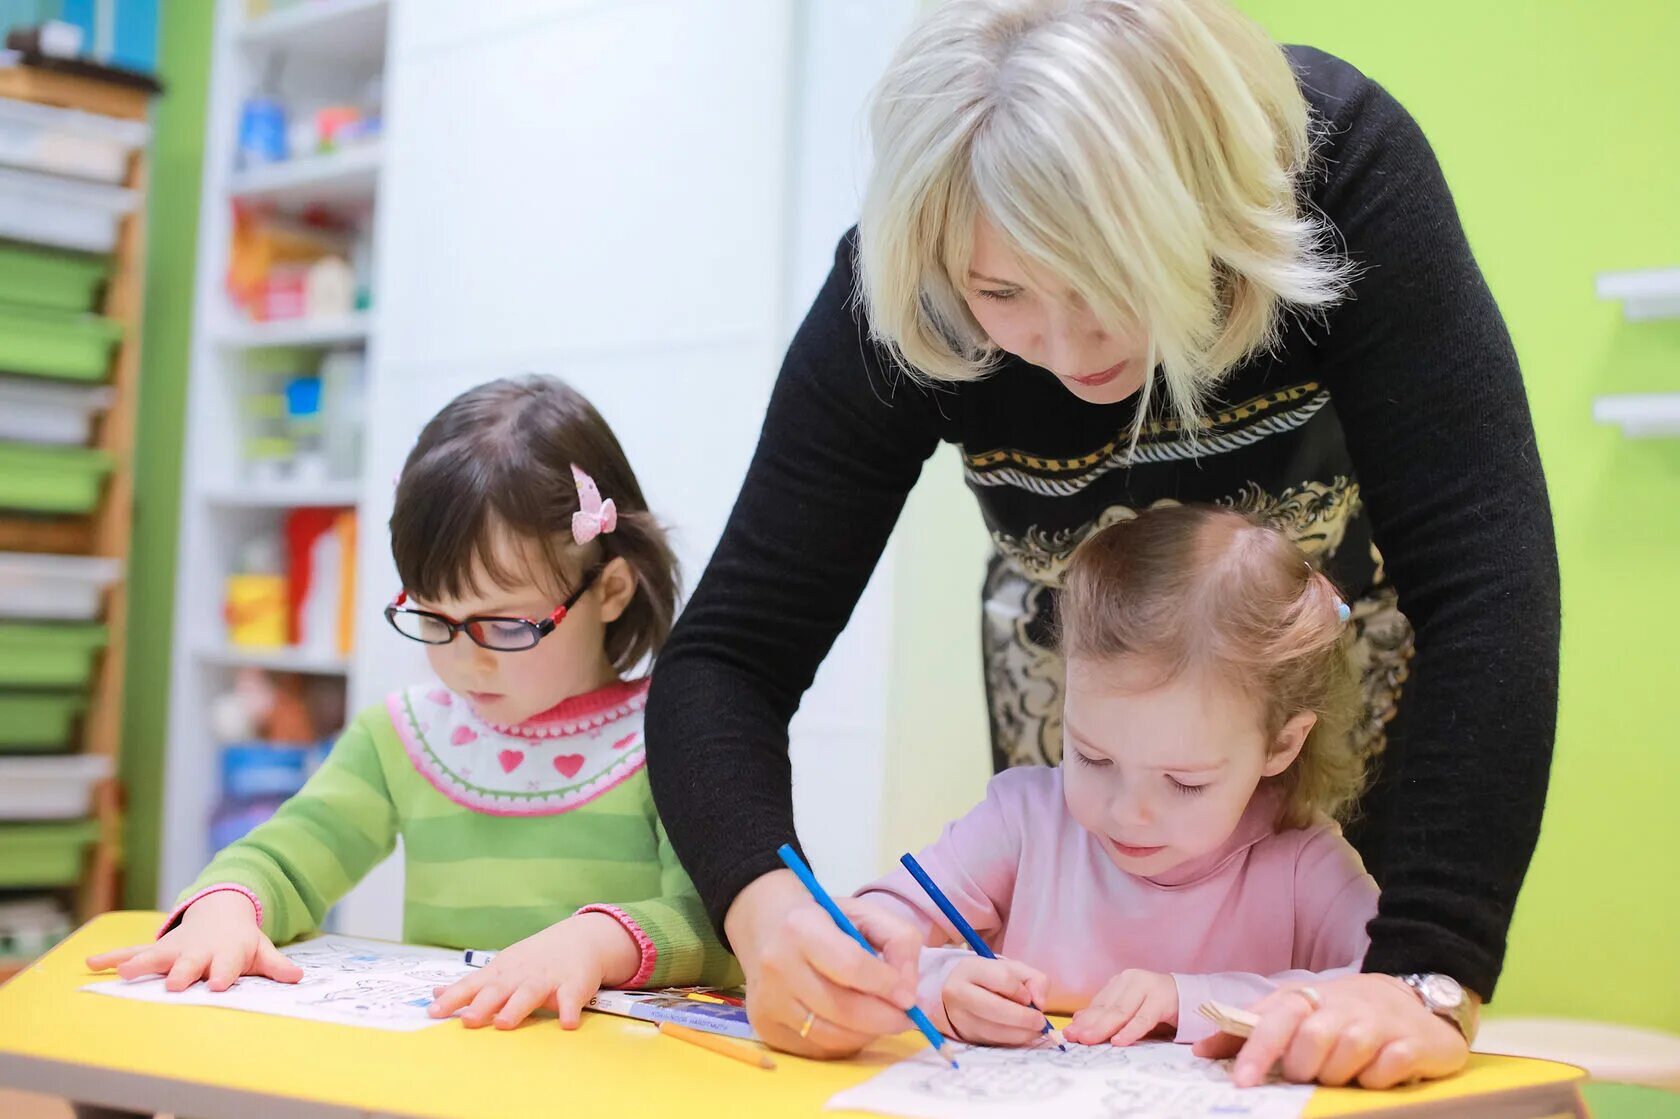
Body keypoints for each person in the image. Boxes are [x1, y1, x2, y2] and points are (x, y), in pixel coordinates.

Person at [644, 0, 1558, 1089]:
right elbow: (731, 654)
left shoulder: (1333, 171)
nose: (1065, 346)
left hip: (1351, 676)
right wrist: (767, 908)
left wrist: (1425, 972)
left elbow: (1488, 584)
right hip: (1090, 646)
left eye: (1108, 282)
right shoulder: (908, 282)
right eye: (1004, 294)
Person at [88, 375, 740, 1036]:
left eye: (506, 625)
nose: (465, 660)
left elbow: (721, 927)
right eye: (435, 619)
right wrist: (226, 908)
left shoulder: (672, 737)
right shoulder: (403, 734)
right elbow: (286, 855)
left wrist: (594, 943)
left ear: (611, 591)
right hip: (440, 1069)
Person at [858, 506, 1377, 1085]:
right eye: (1092, 757)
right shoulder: (1023, 823)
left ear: (1281, 745)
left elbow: (1397, 987)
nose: (1128, 813)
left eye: (1185, 782)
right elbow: (861, 935)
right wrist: (939, 984)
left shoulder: (1303, 865)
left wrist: (1191, 1000)